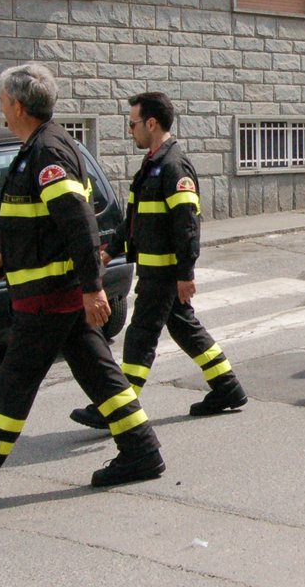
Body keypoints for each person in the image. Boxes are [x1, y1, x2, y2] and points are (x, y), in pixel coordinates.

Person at [0, 64, 165, 511]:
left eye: (3, 101)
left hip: (49, 298)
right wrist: (3, 253)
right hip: (53, 295)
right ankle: (141, 450)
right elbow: (36, 218)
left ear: (20, 105)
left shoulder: (47, 151)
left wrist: (92, 289)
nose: (1, 109)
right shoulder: (39, 147)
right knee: (101, 376)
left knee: (11, 388)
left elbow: (78, 222)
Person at [68, 91, 246, 429]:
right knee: (184, 329)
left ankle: (118, 410)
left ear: (151, 123)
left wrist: (185, 272)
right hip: (154, 268)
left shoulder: (173, 166)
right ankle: (227, 388)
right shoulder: (152, 166)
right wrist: (110, 250)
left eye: (132, 123)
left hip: (163, 271)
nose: (129, 130)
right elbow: (135, 219)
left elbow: (187, 223)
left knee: (139, 337)